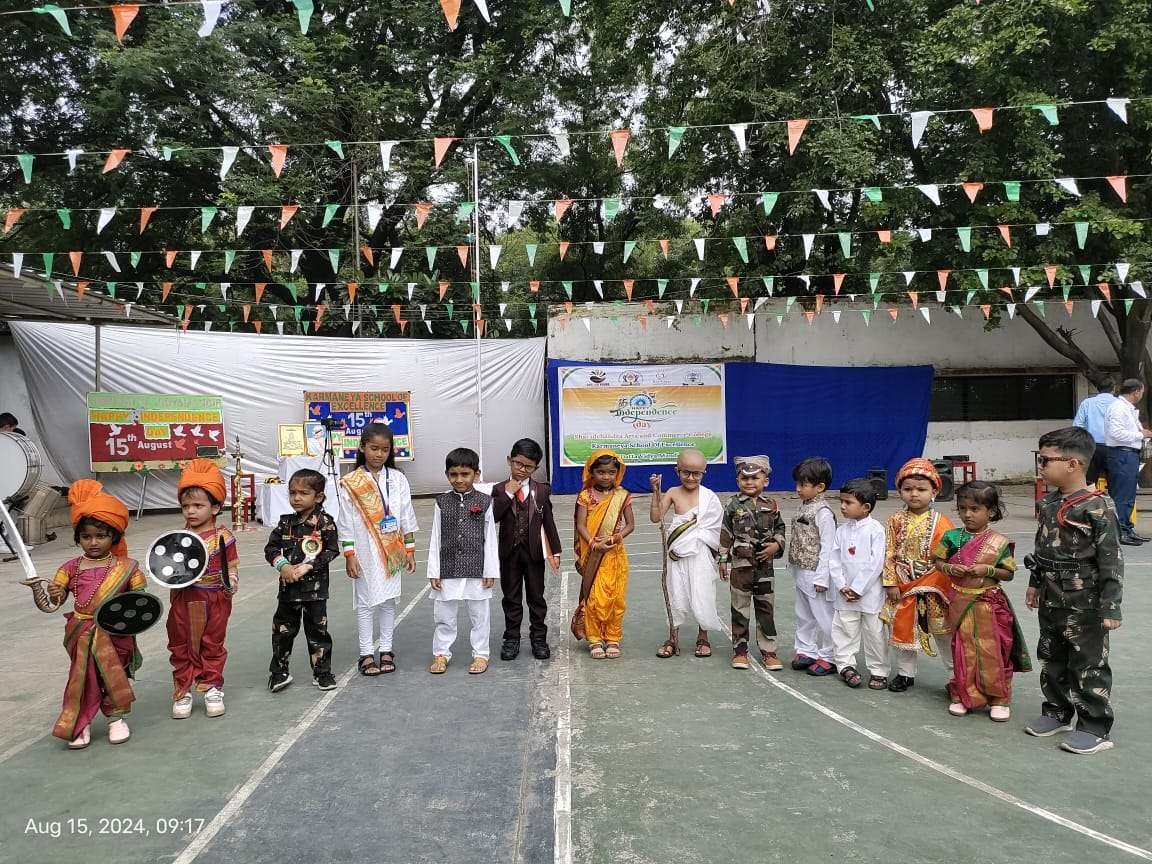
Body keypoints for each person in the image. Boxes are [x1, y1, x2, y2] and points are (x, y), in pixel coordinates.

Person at [1024, 426, 1123, 755]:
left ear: (1073, 464)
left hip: (1085, 602)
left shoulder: (1098, 506)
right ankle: (1057, 712)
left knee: (1088, 662)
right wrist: (1035, 584)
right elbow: (1041, 549)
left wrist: (1111, 606)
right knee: (1051, 656)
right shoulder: (1049, 503)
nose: (1041, 466)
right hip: (1051, 596)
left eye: (1046, 460)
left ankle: (1095, 726)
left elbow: (1111, 561)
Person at [45, 480, 145, 748]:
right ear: (78, 538)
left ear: (114, 536)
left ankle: (116, 719)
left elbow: (140, 601)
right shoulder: (69, 568)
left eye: (101, 535)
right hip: (81, 633)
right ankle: (81, 723)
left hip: (116, 633)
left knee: (115, 673)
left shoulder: (128, 567)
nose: (93, 542)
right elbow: (56, 601)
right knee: (83, 678)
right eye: (86, 536)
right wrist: (55, 593)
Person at [934, 482, 1031, 722]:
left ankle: (999, 699)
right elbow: (937, 562)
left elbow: (1008, 573)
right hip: (959, 602)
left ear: (991, 511)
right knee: (963, 650)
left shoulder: (999, 542)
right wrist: (950, 568)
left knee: (994, 650)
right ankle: (965, 695)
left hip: (989, 603)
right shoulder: (951, 537)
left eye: (975, 509)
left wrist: (987, 569)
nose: (967, 514)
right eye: (962, 508)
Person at [339, 423, 418, 676]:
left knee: (388, 600)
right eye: (374, 448)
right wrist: (349, 555)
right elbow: (345, 521)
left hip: (392, 547)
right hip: (364, 549)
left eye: (385, 450)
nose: (379, 454)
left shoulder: (398, 478)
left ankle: (386, 649)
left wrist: (410, 549)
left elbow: (406, 514)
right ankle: (366, 653)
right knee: (365, 602)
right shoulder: (351, 482)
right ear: (362, 447)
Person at [168, 458, 237, 720]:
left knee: (212, 643)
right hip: (183, 599)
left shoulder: (224, 537)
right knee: (180, 643)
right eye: (186, 506)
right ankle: (182, 690)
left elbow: (231, 567)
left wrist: (232, 582)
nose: (191, 511)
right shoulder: (177, 538)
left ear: (215, 507)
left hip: (215, 599)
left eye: (198, 505)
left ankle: (212, 687)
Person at [879, 458, 955, 693]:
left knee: (943, 632)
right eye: (908, 489)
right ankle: (905, 674)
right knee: (903, 628)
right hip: (902, 585)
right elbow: (888, 552)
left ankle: (956, 677)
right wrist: (890, 582)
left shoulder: (942, 522)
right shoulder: (895, 520)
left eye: (921, 489)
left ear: (934, 492)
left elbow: (949, 557)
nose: (914, 494)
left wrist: (931, 580)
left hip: (933, 587)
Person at [264, 469, 340, 693]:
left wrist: (310, 565)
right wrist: (283, 566)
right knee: (282, 632)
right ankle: (279, 672)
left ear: (318, 496)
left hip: (315, 592)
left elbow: (332, 550)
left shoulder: (325, 523)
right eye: (292, 493)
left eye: (303, 493)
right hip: (288, 591)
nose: (296, 498)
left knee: (318, 633)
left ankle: (322, 673)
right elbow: (270, 549)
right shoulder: (285, 523)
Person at [427, 448, 499, 675]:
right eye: (454, 474)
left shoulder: (485, 502)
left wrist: (490, 570)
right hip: (447, 566)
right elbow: (435, 536)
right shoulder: (441, 502)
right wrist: (434, 571)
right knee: (444, 616)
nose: (459, 479)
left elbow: (490, 538)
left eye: (465, 474)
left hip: (477, 567)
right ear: (447, 475)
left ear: (476, 474)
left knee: (480, 616)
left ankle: (481, 654)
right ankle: (441, 653)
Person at [650, 448, 726, 660]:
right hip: (677, 554)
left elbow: (716, 531)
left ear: (704, 473)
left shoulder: (709, 497)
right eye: (686, 473)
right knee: (675, 592)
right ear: (677, 471)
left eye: (696, 474)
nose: (691, 478)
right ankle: (672, 638)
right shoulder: (673, 492)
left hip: (701, 555)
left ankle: (703, 637)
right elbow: (656, 517)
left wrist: (722, 559)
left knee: (703, 592)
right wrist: (656, 492)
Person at [492, 438, 562, 662]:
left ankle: (539, 638)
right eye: (518, 464)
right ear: (509, 460)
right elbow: (494, 517)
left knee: (536, 596)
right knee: (511, 597)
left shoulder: (541, 490)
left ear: (536, 468)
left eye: (528, 467)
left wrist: (555, 551)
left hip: (534, 553)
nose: (522, 470)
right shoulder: (498, 489)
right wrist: (508, 494)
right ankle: (511, 638)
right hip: (509, 553)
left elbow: (548, 520)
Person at [718, 455, 786, 671]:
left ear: (766, 481)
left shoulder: (772, 505)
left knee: (765, 609)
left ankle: (769, 651)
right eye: (744, 478)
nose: (749, 482)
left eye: (755, 478)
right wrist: (722, 559)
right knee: (740, 609)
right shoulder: (732, 505)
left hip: (765, 568)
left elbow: (780, 528)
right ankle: (740, 651)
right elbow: (726, 533)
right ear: (738, 481)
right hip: (741, 568)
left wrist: (777, 544)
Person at [574, 449, 634, 659]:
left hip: (614, 554)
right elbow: (580, 525)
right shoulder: (586, 496)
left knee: (615, 596)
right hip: (593, 553)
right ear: (591, 472)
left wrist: (614, 538)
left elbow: (630, 525)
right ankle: (594, 638)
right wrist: (593, 543)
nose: (606, 476)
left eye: (611, 472)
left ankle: (612, 637)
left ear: (617, 473)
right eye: (601, 472)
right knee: (594, 596)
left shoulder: (622, 496)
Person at [828, 479, 888, 689]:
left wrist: (858, 588)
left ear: (866, 507)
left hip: (870, 594)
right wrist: (842, 585)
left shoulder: (876, 530)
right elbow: (834, 560)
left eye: (848, 502)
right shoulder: (841, 531)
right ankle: (845, 665)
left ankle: (879, 670)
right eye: (841, 502)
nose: (843, 506)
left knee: (875, 633)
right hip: (845, 594)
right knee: (844, 629)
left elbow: (876, 563)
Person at [787, 457, 838, 675]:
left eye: (803, 485)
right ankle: (806, 649)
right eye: (797, 484)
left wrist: (822, 577)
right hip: (801, 570)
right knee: (804, 613)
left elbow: (829, 547)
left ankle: (830, 655)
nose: (798, 489)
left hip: (816, 572)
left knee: (823, 615)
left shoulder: (823, 513)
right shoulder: (804, 506)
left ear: (820, 487)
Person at [1103, 378, 1151, 545]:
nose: (1141, 395)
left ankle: (1127, 528)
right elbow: (1116, 433)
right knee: (1122, 495)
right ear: (1136, 392)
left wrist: (1142, 435)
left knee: (1129, 494)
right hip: (1122, 454)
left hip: (1129, 454)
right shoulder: (1118, 408)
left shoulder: (1127, 408)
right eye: (1141, 392)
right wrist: (1141, 435)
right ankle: (1120, 531)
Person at [1073, 378, 1116, 485]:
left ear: (1097, 388)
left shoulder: (1087, 403)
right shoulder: (1119, 404)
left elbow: (1077, 426)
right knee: (1115, 483)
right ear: (1114, 388)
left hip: (1092, 447)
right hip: (1114, 447)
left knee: (1089, 482)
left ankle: (1089, 495)